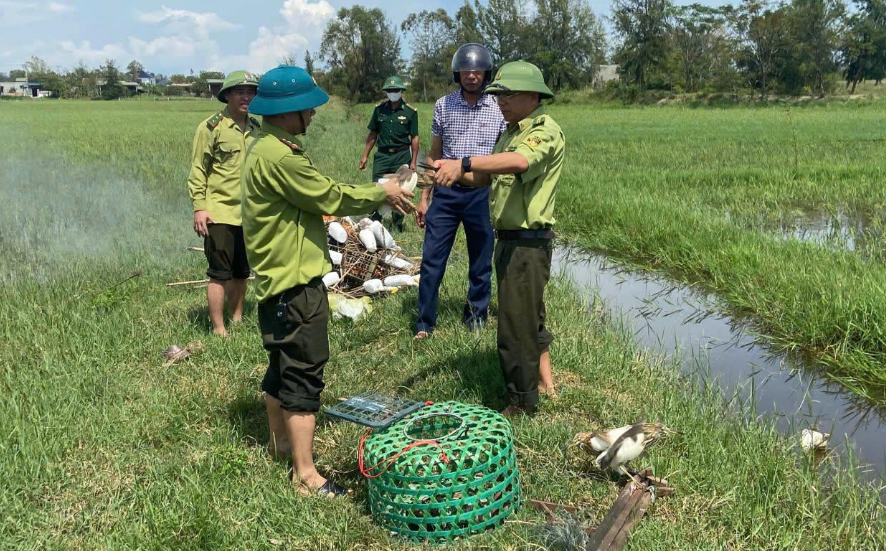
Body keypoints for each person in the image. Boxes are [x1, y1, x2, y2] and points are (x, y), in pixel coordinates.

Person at [241, 65, 415, 496]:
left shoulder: (263, 147)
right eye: (308, 108)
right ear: (289, 111)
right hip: (296, 286)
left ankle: (281, 445)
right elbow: (330, 196)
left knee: (281, 368)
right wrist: (383, 191)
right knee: (304, 374)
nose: (313, 114)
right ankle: (306, 475)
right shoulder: (281, 157)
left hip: (276, 283)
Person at [431, 61, 565, 416]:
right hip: (508, 239)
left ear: (532, 95)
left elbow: (519, 163)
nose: (500, 101)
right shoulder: (509, 132)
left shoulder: (543, 129)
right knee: (530, 317)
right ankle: (545, 384)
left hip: (527, 242)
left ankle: (521, 404)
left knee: (514, 327)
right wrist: (448, 172)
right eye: (498, 95)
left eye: (507, 95)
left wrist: (464, 162)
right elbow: (483, 177)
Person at [414, 43, 506, 339]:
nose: (472, 76)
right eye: (466, 71)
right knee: (432, 260)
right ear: (457, 74)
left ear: (486, 74)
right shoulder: (444, 105)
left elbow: (503, 157)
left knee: (481, 261)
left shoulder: (498, 107)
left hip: (482, 193)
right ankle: (424, 323)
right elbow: (434, 154)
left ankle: (476, 317)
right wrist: (424, 197)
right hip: (446, 192)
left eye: (477, 71)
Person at [187, 70, 260, 338]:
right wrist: (200, 207)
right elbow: (198, 169)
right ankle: (219, 329)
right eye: (240, 92)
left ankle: (237, 319)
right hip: (218, 213)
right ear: (227, 95)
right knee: (219, 274)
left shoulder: (257, 128)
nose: (246, 97)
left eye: (251, 92)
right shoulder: (211, 127)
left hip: (248, 214)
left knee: (241, 272)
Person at [359, 76, 419, 232]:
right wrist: (365, 156)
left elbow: (414, 138)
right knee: (377, 188)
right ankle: (374, 223)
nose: (393, 92)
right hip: (383, 157)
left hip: (401, 155)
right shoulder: (379, 110)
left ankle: (397, 224)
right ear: (386, 91)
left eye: (396, 90)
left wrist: (413, 162)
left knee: (401, 189)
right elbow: (373, 134)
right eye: (390, 90)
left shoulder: (410, 112)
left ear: (401, 91)